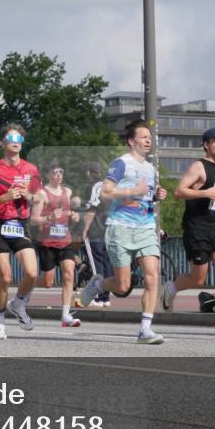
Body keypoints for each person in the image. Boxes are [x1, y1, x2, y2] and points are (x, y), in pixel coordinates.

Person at [79, 120, 169, 344]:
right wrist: (132, 190)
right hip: (120, 228)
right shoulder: (121, 163)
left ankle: (145, 330)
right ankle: (97, 284)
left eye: (150, 137)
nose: (148, 140)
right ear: (131, 141)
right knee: (122, 286)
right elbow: (106, 193)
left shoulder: (150, 168)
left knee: (152, 275)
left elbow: (144, 198)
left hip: (145, 227)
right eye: (143, 136)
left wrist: (155, 196)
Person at [165, 128, 215, 342]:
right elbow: (179, 191)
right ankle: (171, 288)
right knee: (198, 278)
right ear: (206, 145)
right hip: (197, 228)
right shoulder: (198, 166)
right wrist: (203, 193)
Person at [0, 124, 41, 340]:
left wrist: (28, 196)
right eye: (10, 137)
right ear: (3, 143)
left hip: (19, 224)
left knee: (32, 272)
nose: (15, 140)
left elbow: (40, 197)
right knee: (5, 276)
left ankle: (19, 303)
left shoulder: (30, 170)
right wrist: (5, 197)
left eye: (19, 138)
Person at [32, 163, 82, 327]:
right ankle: (27, 284)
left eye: (61, 171)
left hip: (64, 241)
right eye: (55, 172)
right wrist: (49, 218)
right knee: (47, 282)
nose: (59, 174)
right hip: (47, 242)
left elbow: (66, 213)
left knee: (69, 273)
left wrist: (73, 216)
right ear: (48, 175)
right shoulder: (42, 193)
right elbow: (33, 219)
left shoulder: (67, 192)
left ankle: (65, 316)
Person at [80, 162, 113, 308]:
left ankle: (98, 296)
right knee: (107, 264)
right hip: (110, 231)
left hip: (96, 232)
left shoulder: (92, 187)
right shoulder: (109, 186)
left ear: (89, 173)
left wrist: (84, 229)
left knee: (96, 265)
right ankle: (106, 297)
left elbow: (91, 209)